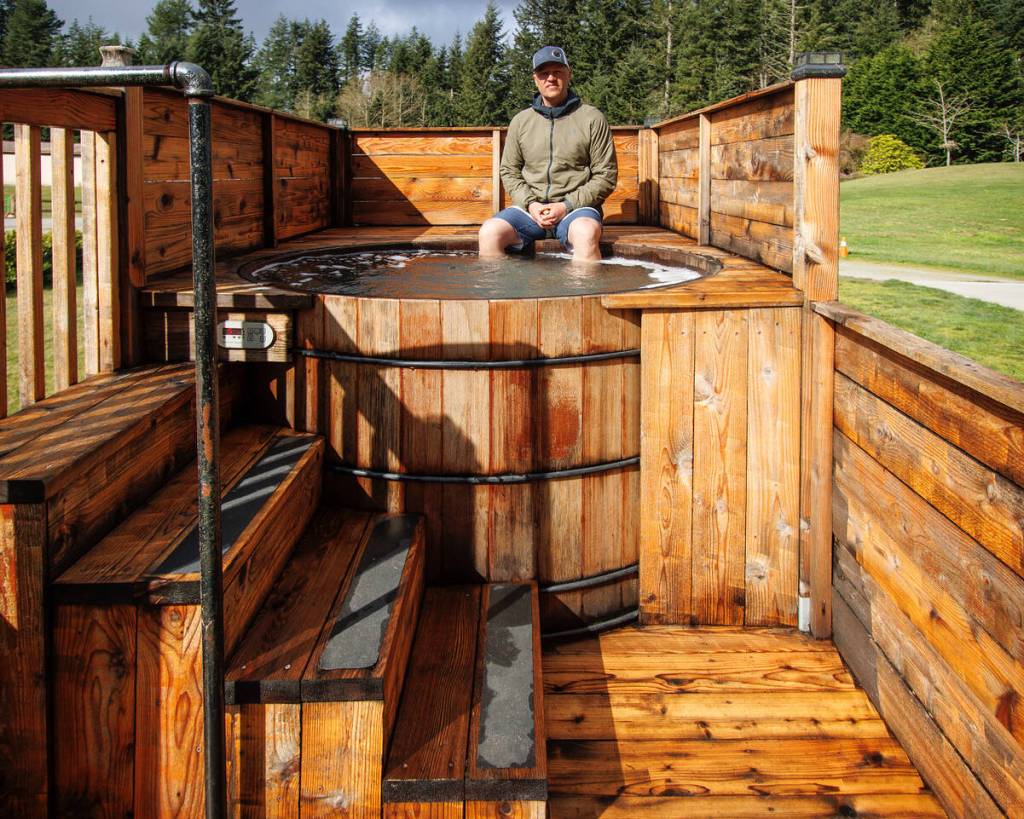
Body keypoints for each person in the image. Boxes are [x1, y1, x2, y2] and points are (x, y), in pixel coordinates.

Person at [478, 45, 617, 262]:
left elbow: (606, 175)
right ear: (535, 79)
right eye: (544, 73)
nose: (551, 78)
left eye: (557, 72)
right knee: (489, 233)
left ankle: (584, 286)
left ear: (569, 74)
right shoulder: (520, 121)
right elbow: (509, 171)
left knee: (586, 234)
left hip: (576, 210)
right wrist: (531, 204)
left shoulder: (592, 118)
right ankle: (504, 286)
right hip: (529, 211)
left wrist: (565, 206)